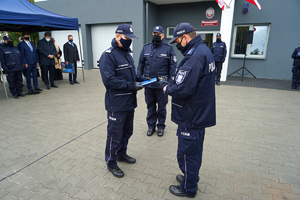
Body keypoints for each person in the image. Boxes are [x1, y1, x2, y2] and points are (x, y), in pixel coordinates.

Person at [158, 22, 216, 198]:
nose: (177, 44)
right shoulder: (202, 50)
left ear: (185, 37)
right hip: (198, 113)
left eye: (177, 40)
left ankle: (188, 188)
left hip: (191, 115)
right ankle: (189, 178)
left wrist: (166, 88)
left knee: (187, 153)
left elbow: (183, 89)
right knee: (194, 151)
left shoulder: (195, 57)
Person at [99, 24, 143, 178]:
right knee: (114, 135)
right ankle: (111, 162)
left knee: (127, 131)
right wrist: (132, 85)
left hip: (129, 102)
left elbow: (132, 76)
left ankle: (121, 154)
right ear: (117, 36)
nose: (129, 41)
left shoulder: (127, 54)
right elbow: (109, 81)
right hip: (116, 104)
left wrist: (144, 80)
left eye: (131, 38)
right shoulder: (108, 55)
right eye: (126, 38)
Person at [137, 26, 176, 137]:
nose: (156, 35)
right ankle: (151, 126)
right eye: (154, 33)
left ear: (163, 35)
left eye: (158, 34)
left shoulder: (168, 48)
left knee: (162, 107)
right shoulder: (146, 48)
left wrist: (170, 83)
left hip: (162, 85)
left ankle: (161, 126)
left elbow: (172, 67)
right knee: (150, 107)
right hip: (149, 85)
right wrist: (139, 77)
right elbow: (140, 64)